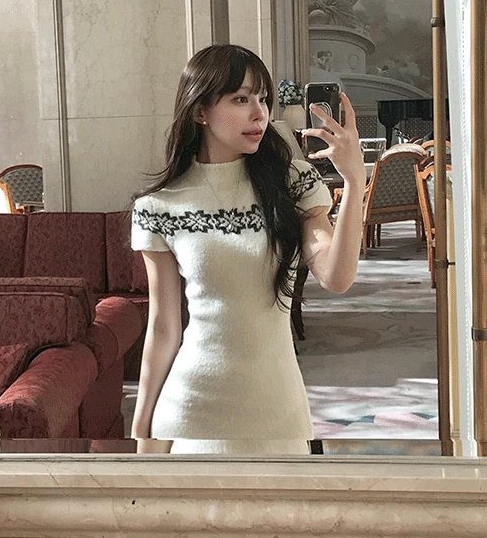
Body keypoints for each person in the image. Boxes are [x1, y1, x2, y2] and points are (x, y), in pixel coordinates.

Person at [130, 44, 365, 455]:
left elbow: (337, 276)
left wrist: (355, 181)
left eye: (262, 98)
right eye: (241, 99)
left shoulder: (293, 183)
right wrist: (144, 429)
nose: (259, 113)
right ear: (200, 110)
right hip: (190, 412)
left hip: (277, 412)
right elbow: (164, 327)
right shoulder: (159, 207)